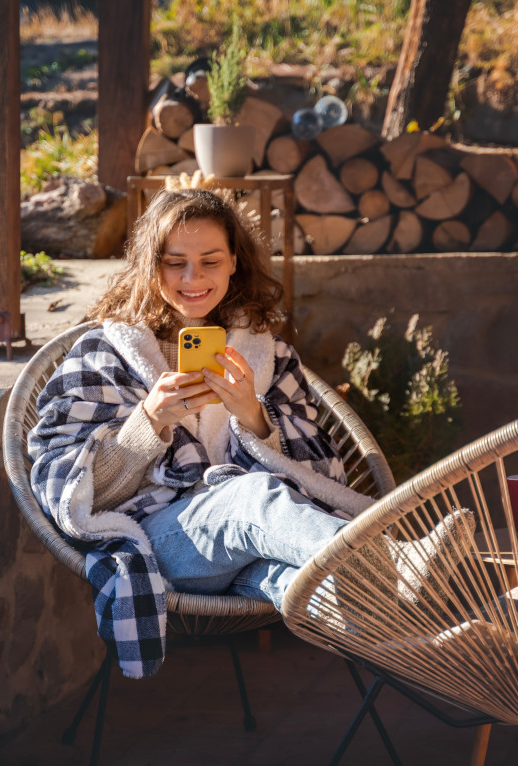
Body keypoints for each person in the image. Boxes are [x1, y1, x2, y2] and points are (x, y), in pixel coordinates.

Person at [28, 189, 373, 677]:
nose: (193, 279)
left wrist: (254, 418)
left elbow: (323, 475)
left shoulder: (267, 356)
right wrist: (148, 423)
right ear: (152, 266)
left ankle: (444, 646)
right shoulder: (103, 354)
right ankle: (388, 564)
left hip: (253, 549)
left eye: (210, 260)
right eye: (175, 263)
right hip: (159, 547)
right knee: (249, 495)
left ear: (234, 261)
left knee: (303, 585)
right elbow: (77, 497)